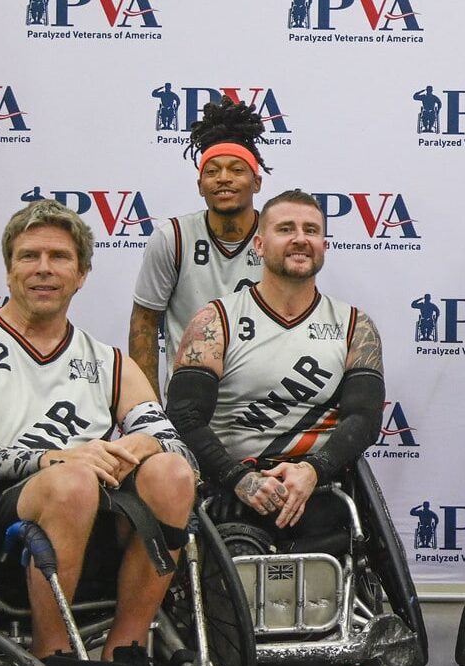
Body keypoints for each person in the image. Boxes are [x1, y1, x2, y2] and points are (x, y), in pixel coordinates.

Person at [0, 200, 195, 666]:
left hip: (94, 520)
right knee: (71, 482)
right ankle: (53, 653)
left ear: (82, 273)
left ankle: (123, 649)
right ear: (8, 271)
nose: (44, 269)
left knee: (170, 473)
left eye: (60, 257)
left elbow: (181, 453)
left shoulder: (108, 362)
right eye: (29, 256)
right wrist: (51, 459)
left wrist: (149, 446)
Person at [164, 190, 386, 554]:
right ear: (259, 245)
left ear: (324, 245)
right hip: (229, 488)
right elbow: (184, 415)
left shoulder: (355, 326)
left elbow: (364, 419)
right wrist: (240, 479)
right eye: (286, 229)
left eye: (311, 230)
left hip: (320, 488)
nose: (300, 239)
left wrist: (314, 470)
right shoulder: (215, 320)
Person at [131, 100, 273, 397]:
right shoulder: (172, 237)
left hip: (261, 403)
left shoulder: (277, 238)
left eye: (236, 169)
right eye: (212, 171)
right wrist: (149, 411)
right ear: (199, 185)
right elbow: (144, 322)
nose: (223, 178)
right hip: (190, 405)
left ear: (256, 182)